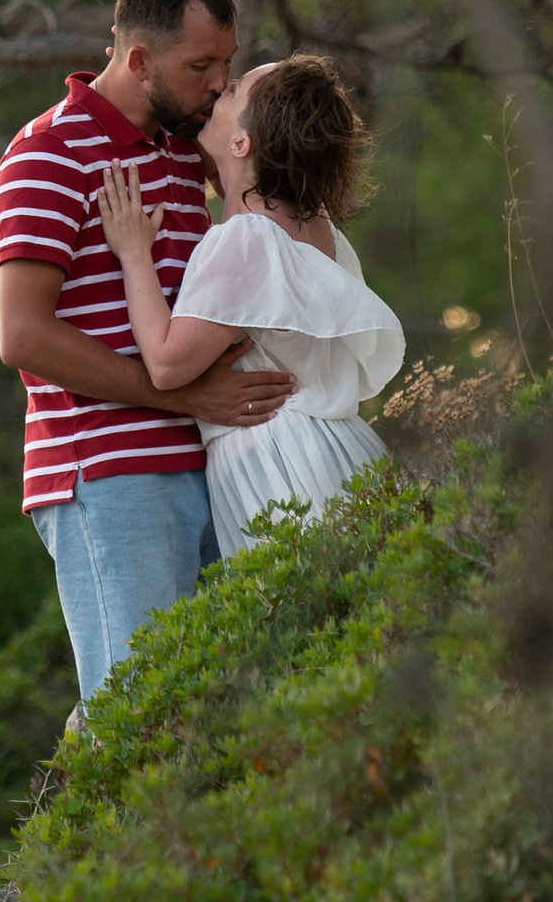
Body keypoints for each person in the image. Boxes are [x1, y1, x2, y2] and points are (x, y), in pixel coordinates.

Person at [0, 0, 297, 708]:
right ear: (137, 60)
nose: (220, 83)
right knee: (140, 709)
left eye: (226, 62)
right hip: (110, 475)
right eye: (200, 66)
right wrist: (187, 397)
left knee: (216, 711)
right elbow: (22, 336)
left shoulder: (184, 147)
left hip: (212, 465)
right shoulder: (46, 154)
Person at [97, 56, 403, 557]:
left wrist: (134, 254)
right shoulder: (317, 226)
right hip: (343, 451)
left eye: (233, 91)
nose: (219, 89)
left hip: (281, 465)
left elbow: (168, 364)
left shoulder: (247, 238)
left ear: (242, 143)